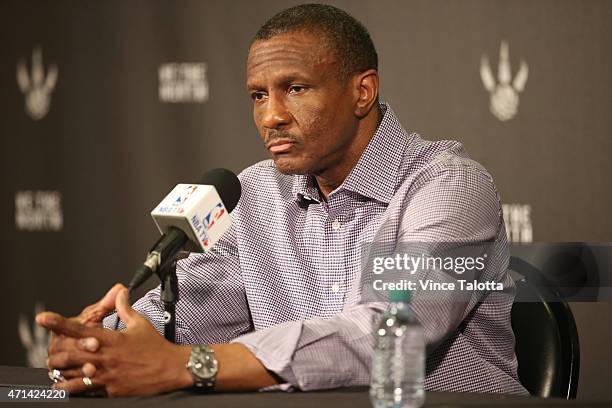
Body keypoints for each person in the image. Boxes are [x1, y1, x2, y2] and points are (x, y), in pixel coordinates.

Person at [37, 3, 527, 397]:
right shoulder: (256, 192)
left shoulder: (451, 188)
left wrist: (193, 365)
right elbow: (197, 305)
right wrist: (106, 342)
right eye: (257, 95)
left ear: (363, 92)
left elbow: (392, 334)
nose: (271, 116)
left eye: (294, 89)